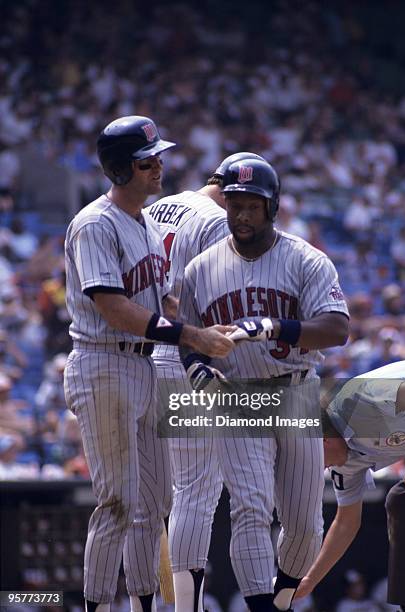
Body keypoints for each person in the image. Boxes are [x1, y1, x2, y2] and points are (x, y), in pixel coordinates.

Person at [63, 115, 235, 612]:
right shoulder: (95, 223)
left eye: (158, 157)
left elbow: (165, 307)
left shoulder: (147, 220)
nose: (158, 166)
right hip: (104, 363)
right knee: (117, 503)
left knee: (154, 505)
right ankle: (96, 605)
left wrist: (207, 330)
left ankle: (142, 604)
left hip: (143, 366)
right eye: (146, 161)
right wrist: (189, 334)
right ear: (121, 169)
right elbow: (114, 308)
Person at [175, 157, 349, 612]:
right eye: (235, 205)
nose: (243, 216)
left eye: (253, 206)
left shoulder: (305, 258)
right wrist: (195, 368)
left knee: (305, 524)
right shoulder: (200, 269)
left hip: (295, 388)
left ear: (272, 207)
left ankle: (281, 599)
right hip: (238, 393)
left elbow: (335, 329)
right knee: (250, 509)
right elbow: (189, 337)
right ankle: (259, 607)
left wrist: (273, 326)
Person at [147, 151, 265, 612]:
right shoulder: (217, 221)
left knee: (154, 502)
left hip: (147, 352)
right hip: (187, 357)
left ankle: (150, 605)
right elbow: (224, 304)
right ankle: (182, 608)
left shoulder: (157, 207)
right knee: (196, 490)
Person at [295, 360, 405, 611]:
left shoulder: (362, 400)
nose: (321, 470)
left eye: (314, 462)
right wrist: (308, 581)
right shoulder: (343, 464)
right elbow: (346, 522)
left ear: (322, 441)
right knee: (401, 501)